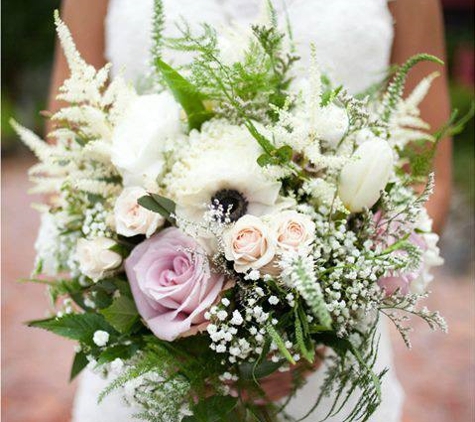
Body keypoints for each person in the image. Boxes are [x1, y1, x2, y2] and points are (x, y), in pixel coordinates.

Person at [47, 1, 452, 421]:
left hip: (328, 374)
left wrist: (326, 319)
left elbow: (428, 176)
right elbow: (64, 149)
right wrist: (173, 328)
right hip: (151, 364)